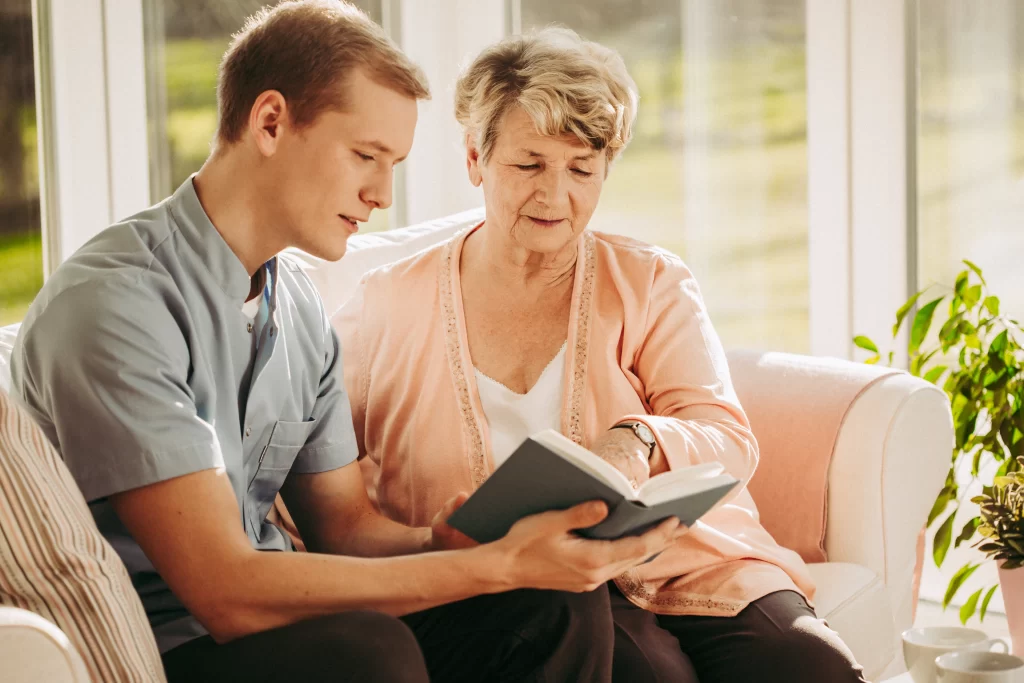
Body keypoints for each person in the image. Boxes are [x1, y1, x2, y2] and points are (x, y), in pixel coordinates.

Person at [8, 4, 685, 682]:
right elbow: (224, 592)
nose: (384, 195)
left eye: (393, 164)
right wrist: (489, 565)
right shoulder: (117, 303)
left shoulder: (297, 306)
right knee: (367, 651)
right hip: (175, 646)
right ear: (270, 122)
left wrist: (445, 541)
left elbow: (348, 532)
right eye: (366, 156)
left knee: (550, 603)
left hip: (287, 622)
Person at [329, 28, 870, 683]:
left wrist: (638, 437)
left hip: (690, 560)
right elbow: (321, 471)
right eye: (529, 165)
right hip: (525, 590)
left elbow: (726, 435)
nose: (556, 196)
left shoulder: (650, 283)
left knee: (815, 664)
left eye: (581, 169)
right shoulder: (384, 304)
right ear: (475, 157)